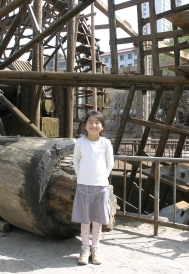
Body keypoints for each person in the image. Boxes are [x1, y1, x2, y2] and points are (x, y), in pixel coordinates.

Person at [71, 110, 114, 265]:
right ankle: (84, 248)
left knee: (96, 220)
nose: (93, 125)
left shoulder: (106, 143)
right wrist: (81, 175)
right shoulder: (80, 142)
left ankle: (95, 247)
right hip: (83, 185)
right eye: (90, 122)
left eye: (97, 122)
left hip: (100, 186)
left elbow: (110, 163)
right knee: (84, 219)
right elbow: (76, 161)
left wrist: (102, 177)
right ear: (85, 125)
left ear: (102, 126)